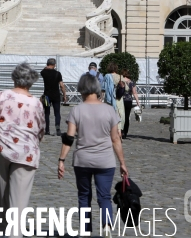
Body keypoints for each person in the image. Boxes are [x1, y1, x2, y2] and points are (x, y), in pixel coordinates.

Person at [58, 73, 129, 238]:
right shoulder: (109, 110)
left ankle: (85, 229)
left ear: (81, 89)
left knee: (84, 196)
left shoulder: (76, 110)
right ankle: (106, 225)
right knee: (104, 196)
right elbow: (115, 139)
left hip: (82, 160)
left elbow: (68, 138)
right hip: (105, 161)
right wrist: (122, 163)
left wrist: (61, 160)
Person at [0, 63, 45, 238]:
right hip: (26, 153)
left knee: (0, 194)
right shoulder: (36, 103)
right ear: (31, 82)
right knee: (19, 200)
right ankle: (14, 233)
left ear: (14, 78)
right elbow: (41, 129)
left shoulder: (2, 96)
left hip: (1, 148)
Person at [40, 58, 67, 136]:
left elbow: (42, 71)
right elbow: (62, 85)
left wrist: (46, 67)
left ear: (47, 64)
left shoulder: (43, 72)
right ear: (54, 65)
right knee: (57, 112)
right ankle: (58, 129)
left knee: (47, 113)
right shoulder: (58, 74)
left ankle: (47, 130)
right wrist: (64, 95)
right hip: (56, 95)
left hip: (47, 95)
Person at [103, 62, 123, 135]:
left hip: (109, 99)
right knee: (118, 116)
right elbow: (126, 88)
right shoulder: (120, 76)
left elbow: (103, 88)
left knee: (108, 116)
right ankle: (119, 132)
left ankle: (109, 132)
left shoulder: (106, 76)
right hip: (118, 99)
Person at [121, 69, 141, 139]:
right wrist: (137, 101)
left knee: (120, 116)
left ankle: (121, 130)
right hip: (129, 101)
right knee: (127, 117)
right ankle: (125, 132)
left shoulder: (120, 81)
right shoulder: (131, 82)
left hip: (121, 100)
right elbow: (134, 92)